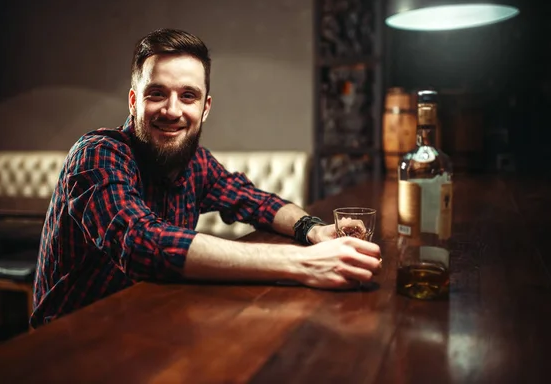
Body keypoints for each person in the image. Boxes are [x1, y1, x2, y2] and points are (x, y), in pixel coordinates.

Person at [31, 28, 381, 328]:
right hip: (71, 338)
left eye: (188, 96)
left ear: (205, 107)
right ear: (134, 101)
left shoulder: (196, 163)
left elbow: (255, 202)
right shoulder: (97, 153)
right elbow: (139, 243)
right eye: (157, 94)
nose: (172, 110)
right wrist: (304, 264)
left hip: (148, 322)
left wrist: (313, 230)